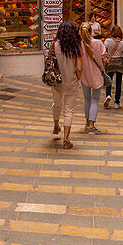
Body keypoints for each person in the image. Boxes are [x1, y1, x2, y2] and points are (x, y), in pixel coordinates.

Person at [51, 21, 84, 149]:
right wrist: (79, 79)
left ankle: (55, 125)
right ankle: (66, 140)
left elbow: (50, 61)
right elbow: (79, 68)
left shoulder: (54, 44)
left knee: (56, 104)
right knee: (69, 111)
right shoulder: (77, 46)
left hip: (57, 82)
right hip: (71, 82)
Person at [79, 23, 105, 134]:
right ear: (91, 31)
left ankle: (86, 120)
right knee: (95, 100)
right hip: (97, 74)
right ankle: (92, 124)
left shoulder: (79, 45)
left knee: (87, 99)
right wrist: (103, 68)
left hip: (84, 75)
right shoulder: (98, 43)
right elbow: (104, 57)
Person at [102, 25, 123, 109]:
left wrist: (103, 64)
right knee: (118, 83)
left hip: (110, 64)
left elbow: (105, 53)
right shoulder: (122, 43)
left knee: (108, 80)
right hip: (119, 64)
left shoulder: (107, 41)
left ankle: (108, 95)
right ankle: (117, 102)